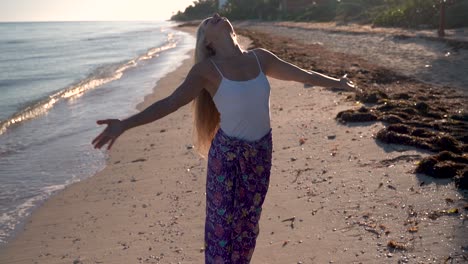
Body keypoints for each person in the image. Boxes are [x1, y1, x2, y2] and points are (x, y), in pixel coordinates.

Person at [92, 13, 354, 264]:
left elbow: (304, 75)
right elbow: (171, 102)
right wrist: (125, 124)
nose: (215, 14)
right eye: (208, 21)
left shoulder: (260, 58)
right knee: (222, 229)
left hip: (260, 154)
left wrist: (338, 83)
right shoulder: (206, 70)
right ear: (207, 41)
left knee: (248, 225)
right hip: (227, 158)